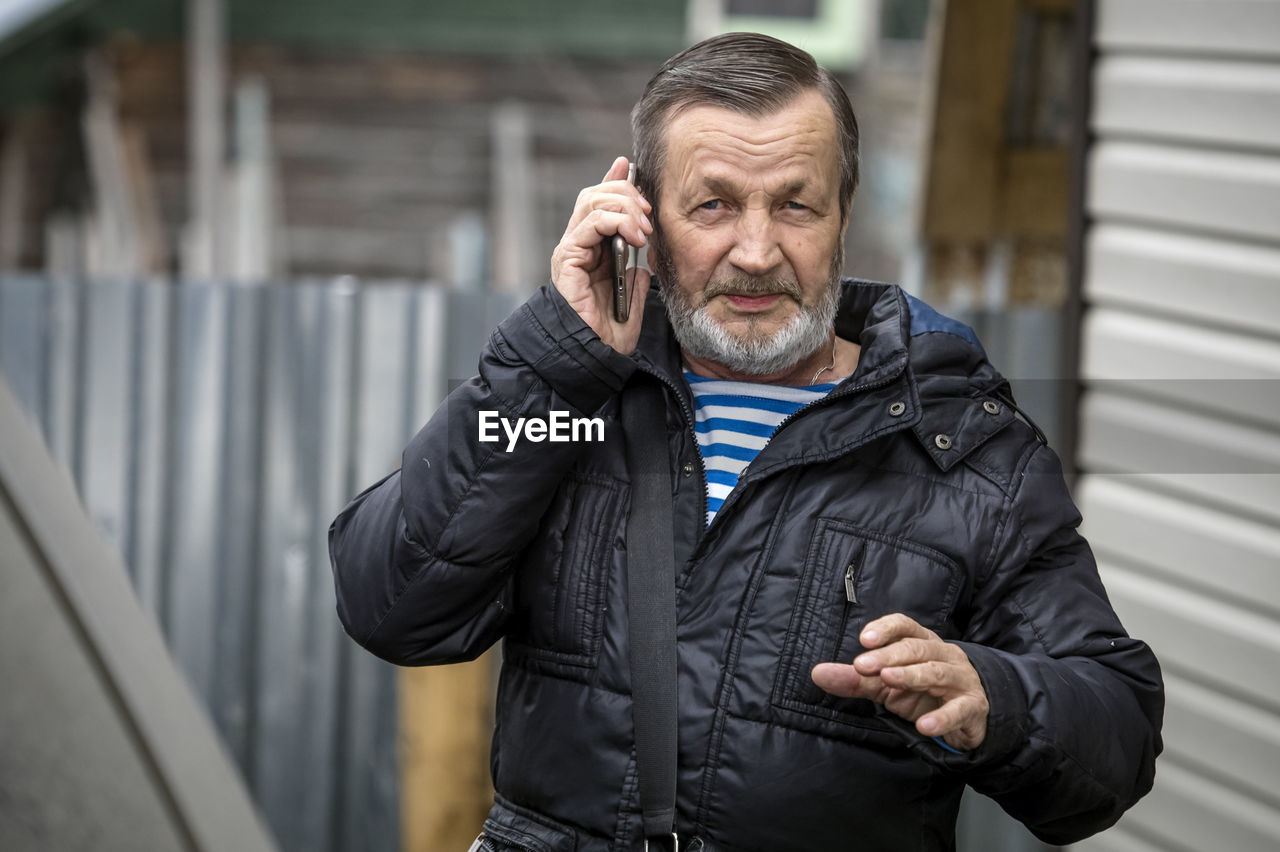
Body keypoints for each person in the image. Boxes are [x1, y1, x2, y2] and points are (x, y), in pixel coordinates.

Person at [329, 32, 1162, 852]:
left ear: (843, 216)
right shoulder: (573, 406)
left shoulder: (967, 447)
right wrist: (553, 361)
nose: (758, 252)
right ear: (644, 218)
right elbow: (390, 607)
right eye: (715, 205)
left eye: (796, 204)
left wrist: (994, 699)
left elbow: (1115, 733)